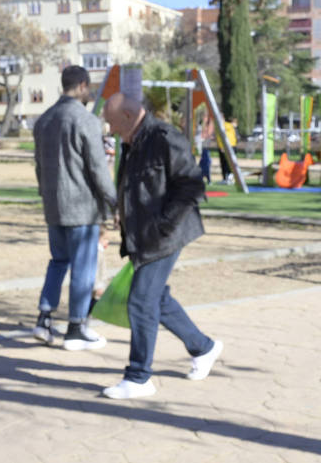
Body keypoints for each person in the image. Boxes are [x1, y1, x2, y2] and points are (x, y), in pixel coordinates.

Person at [101, 92, 223, 400]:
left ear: (129, 117)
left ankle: (139, 377)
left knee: (140, 301)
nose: (111, 130)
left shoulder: (164, 137)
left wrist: (163, 226)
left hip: (164, 235)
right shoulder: (133, 140)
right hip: (142, 234)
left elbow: (192, 186)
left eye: (113, 123)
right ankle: (203, 347)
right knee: (156, 297)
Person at [32, 65, 117, 351]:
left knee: (58, 261)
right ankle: (77, 326)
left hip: (54, 204)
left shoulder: (44, 120)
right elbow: (98, 168)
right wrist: (114, 202)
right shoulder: (86, 120)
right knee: (83, 265)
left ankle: (44, 318)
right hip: (81, 205)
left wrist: (47, 196)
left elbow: (39, 167)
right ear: (82, 85)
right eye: (88, 87)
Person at [216, 117, 238, 184]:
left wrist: (223, 146)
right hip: (222, 147)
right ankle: (225, 178)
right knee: (223, 163)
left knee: (229, 163)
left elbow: (228, 136)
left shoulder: (227, 125)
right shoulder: (218, 125)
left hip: (229, 146)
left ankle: (230, 177)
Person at [199, 113, 214, 184]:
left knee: (206, 162)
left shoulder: (209, 125)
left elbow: (208, 134)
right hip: (204, 145)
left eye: (205, 117)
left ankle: (208, 178)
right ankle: (202, 177)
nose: (203, 118)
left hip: (206, 145)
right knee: (202, 162)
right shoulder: (204, 125)